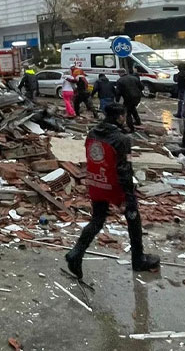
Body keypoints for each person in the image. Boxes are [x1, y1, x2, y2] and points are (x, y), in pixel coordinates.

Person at [65, 103, 161, 279]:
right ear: (120, 117)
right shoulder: (122, 139)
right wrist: (128, 195)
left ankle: (76, 252)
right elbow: (125, 168)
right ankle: (138, 259)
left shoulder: (93, 133)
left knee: (97, 220)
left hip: (96, 182)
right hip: (115, 186)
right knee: (133, 218)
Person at [115, 68, 143, 132]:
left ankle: (131, 128)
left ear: (120, 73)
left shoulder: (120, 80)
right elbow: (142, 87)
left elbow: (118, 92)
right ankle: (138, 122)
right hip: (137, 97)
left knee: (127, 113)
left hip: (128, 98)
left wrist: (117, 101)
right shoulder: (134, 78)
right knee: (132, 108)